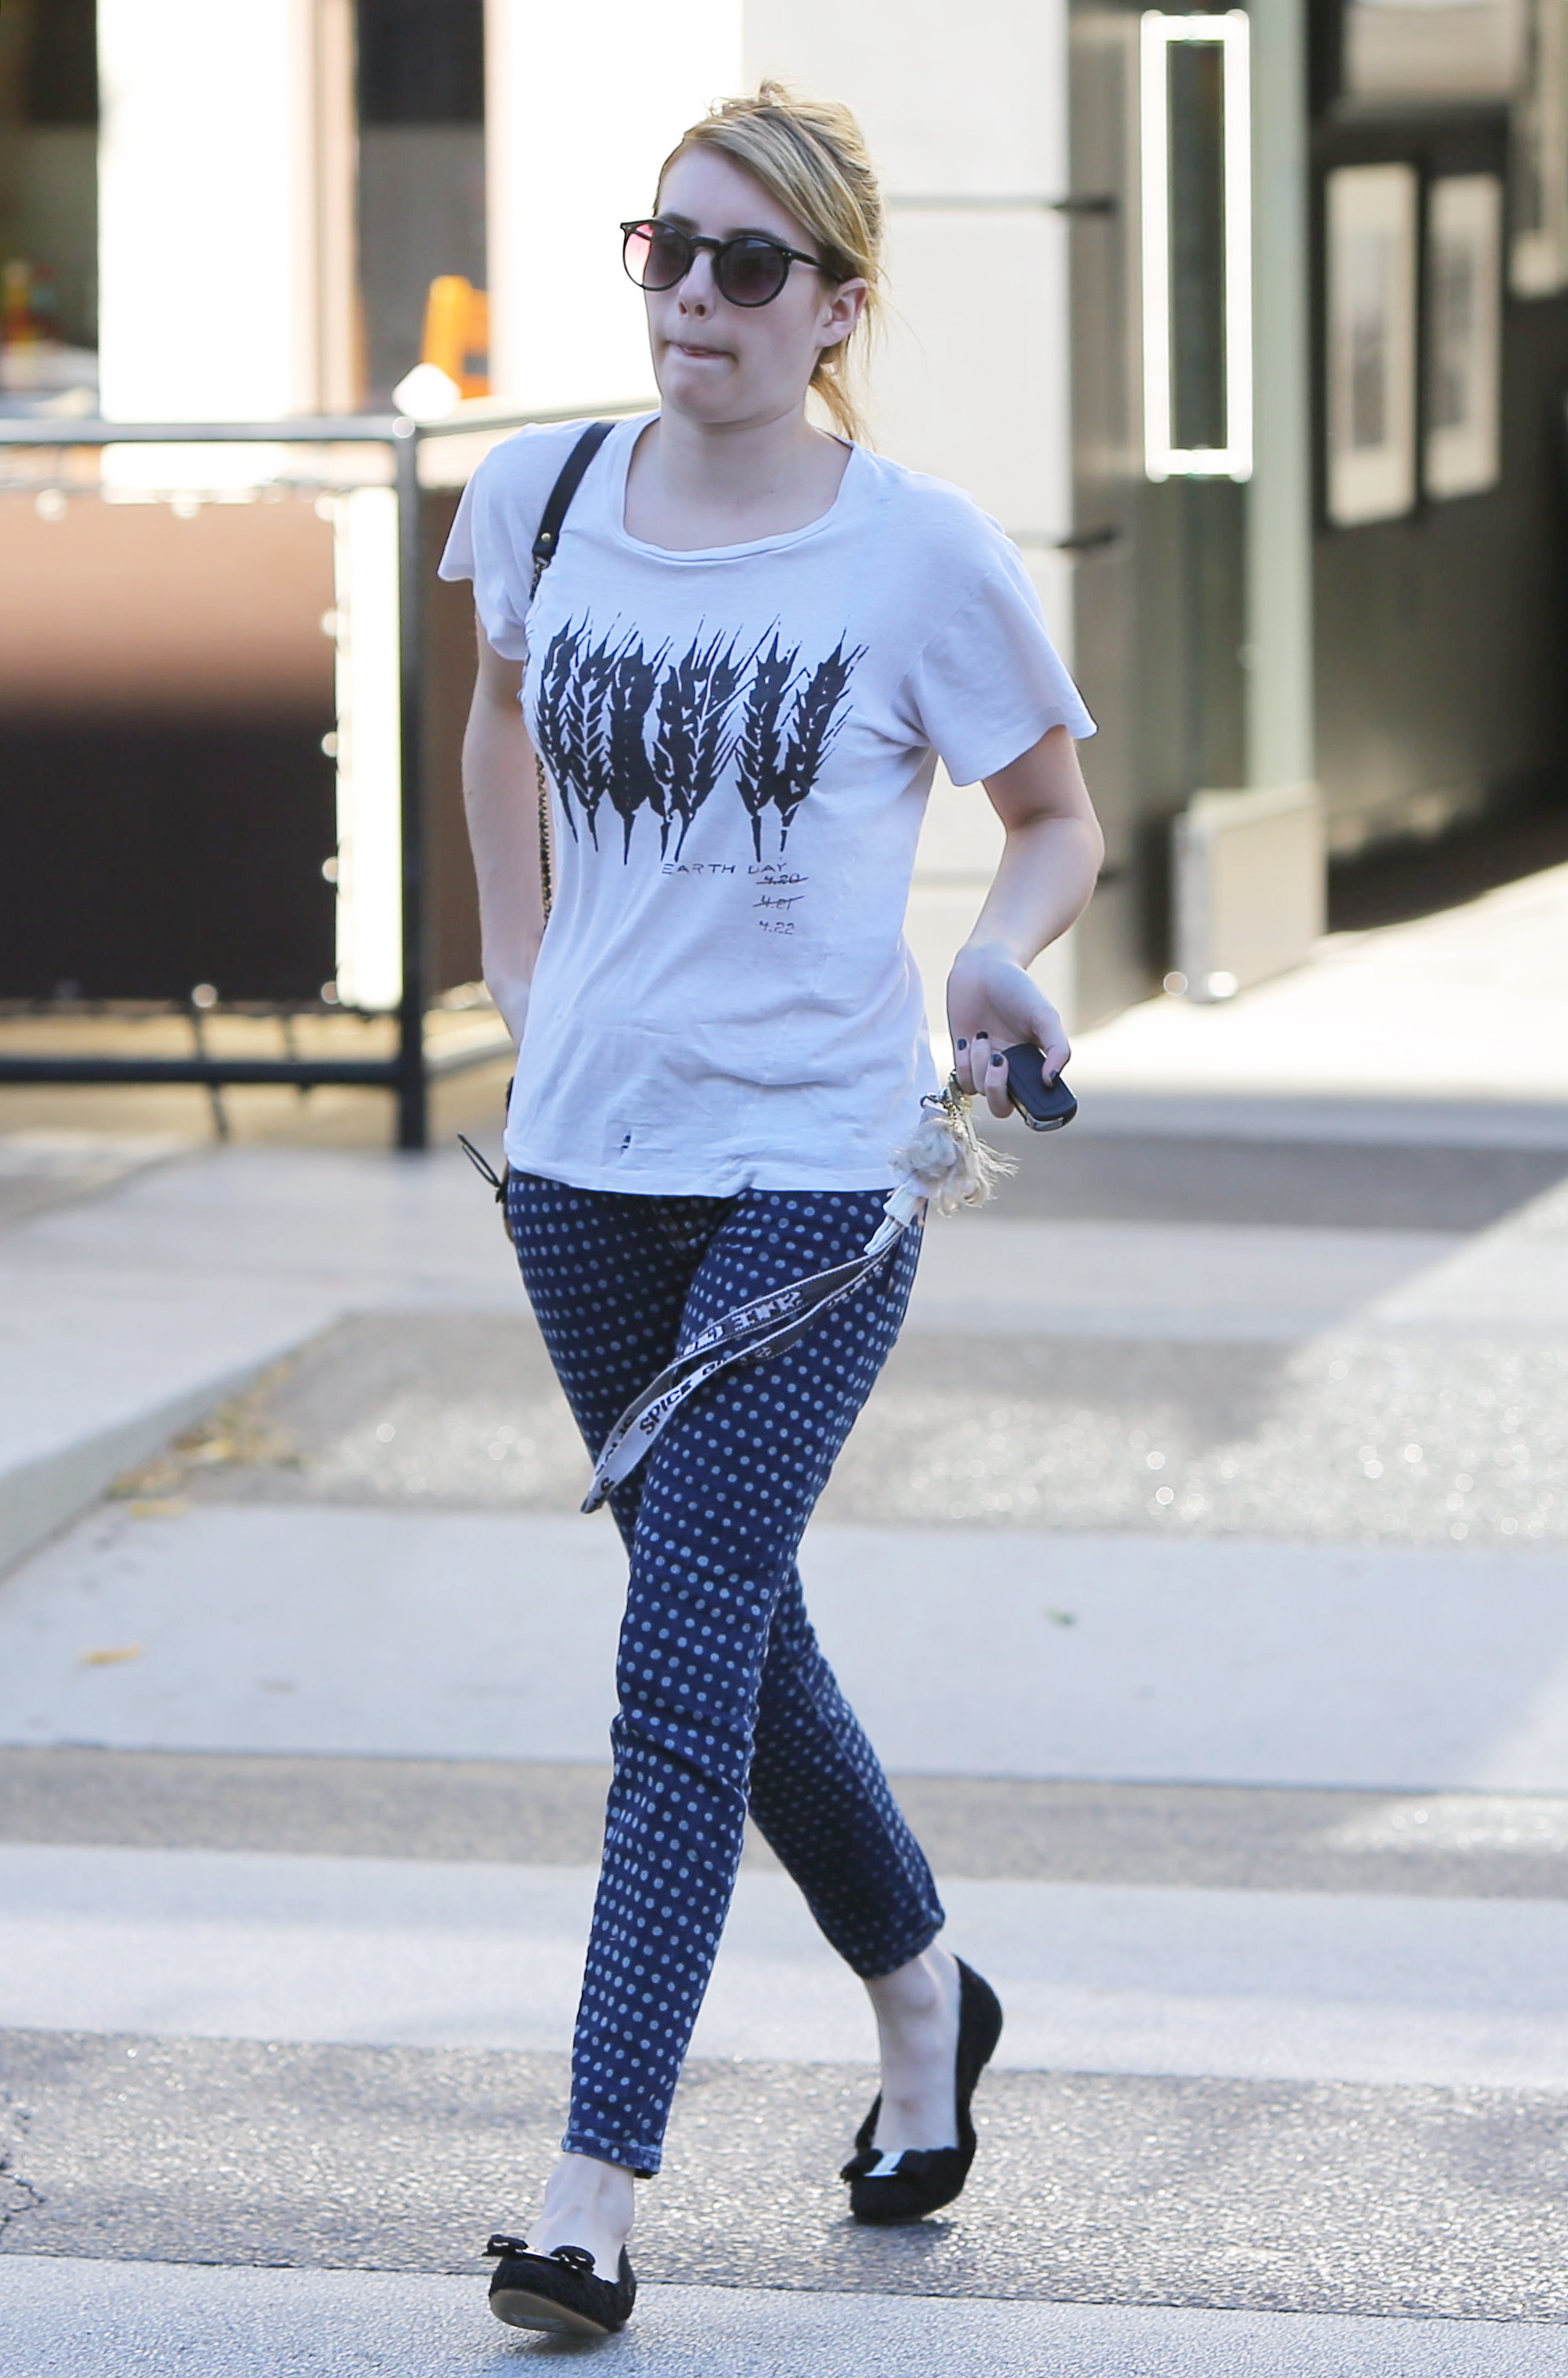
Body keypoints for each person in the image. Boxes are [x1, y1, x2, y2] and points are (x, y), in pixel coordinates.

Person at [440, 82, 1103, 2339]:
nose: (695, 298)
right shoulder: (541, 494)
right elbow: (497, 718)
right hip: (579, 1158)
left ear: (835, 305)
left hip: (818, 1166)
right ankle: (926, 1992)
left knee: (677, 1656)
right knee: (734, 1618)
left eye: (749, 264)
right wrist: (520, 961)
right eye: (669, 249)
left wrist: (995, 961)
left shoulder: (917, 550)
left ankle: (589, 2193)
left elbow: (1054, 815)